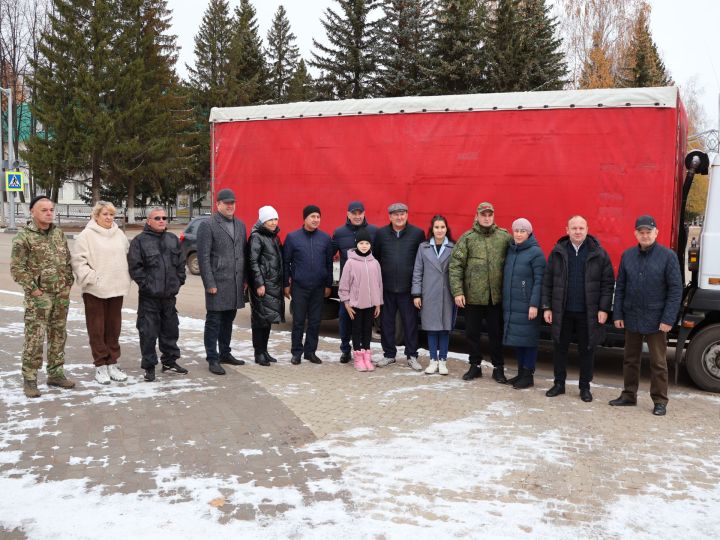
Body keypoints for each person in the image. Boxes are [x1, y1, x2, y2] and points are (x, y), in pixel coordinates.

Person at [609, 215, 682, 416]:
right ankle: (628, 395)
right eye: (641, 232)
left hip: (657, 320)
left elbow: (675, 290)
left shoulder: (668, 256)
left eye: (648, 232)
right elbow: (621, 286)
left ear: (656, 233)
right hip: (632, 316)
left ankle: (660, 401)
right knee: (630, 359)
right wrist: (618, 314)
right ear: (635, 234)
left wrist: (668, 319)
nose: (645, 235)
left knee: (658, 363)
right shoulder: (628, 255)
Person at [541, 215, 614, 402]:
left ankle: (585, 387)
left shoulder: (598, 253)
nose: (578, 231)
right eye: (574, 228)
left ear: (587, 229)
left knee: (587, 350)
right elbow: (547, 282)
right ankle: (559, 384)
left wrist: (604, 309)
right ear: (567, 230)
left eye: (581, 228)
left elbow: (607, 284)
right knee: (559, 348)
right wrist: (547, 307)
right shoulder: (558, 252)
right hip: (562, 310)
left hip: (588, 312)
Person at [11, 195, 76, 398]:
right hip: (39, 297)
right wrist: (34, 289)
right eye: (44, 210)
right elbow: (17, 268)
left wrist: (68, 283)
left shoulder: (58, 234)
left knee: (58, 335)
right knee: (35, 338)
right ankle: (30, 378)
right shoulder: (24, 237)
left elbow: (66, 260)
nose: (49, 213)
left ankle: (55, 373)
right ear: (33, 212)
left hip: (60, 294)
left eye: (51, 209)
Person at [449, 202, 512, 382]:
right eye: (483, 215)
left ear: (493, 217)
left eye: (489, 215)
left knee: (496, 334)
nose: (486, 218)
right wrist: (458, 292)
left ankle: (498, 368)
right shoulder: (467, 238)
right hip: (473, 297)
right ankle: (475, 365)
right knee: (472, 333)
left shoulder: (503, 237)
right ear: (476, 216)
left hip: (496, 297)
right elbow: (455, 266)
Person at [71, 201, 132, 385]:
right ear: (96, 216)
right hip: (95, 290)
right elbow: (78, 261)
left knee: (114, 328)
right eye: (105, 214)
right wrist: (92, 277)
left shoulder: (119, 234)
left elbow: (127, 255)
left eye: (111, 215)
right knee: (97, 329)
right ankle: (100, 365)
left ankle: (112, 362)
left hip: (116, 288)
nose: (108, 218)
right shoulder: (86, 236)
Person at [127, 207, 188, 382]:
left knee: (170, 330)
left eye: (164, 218)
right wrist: (147, 286)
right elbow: (135, 268)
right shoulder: (139, 241)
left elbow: (180, 264)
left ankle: (169, 362)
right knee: (148, 333)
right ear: (149, 221)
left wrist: (178, 282)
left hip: (169, 297)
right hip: (149, 298)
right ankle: (149, 367)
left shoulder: (172, 239)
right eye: (157, 218)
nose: (162, 220)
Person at [197, 188, 248, 375]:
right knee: (214, 322)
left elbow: (243, 253)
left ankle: (225, 353)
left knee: (228, 321)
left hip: (234, 284)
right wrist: (209, 283)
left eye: (232, 202)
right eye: (226, 203)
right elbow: (203, 258)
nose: (230, 206)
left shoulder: (241, 225)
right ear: (217, 204)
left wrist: (245, 279)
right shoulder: (208, 225)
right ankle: (212, 358)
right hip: (217, 284)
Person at [373, 202, 426, 370]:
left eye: (402, 214)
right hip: (387, 288)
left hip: (408, 289)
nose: (399, 217)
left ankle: (411, 356)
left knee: (410, 323)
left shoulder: (417, 234)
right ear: (390, 217)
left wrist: (418, 288)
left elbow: (421, 261)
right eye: (395, 214)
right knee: (386, 323)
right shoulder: (381, 234)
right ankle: (389, 355)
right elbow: (376, 258)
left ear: (407, 215)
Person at [283, 205, 333, 365]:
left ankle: (310, 352)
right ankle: (296, 352)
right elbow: (286, 263)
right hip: (299, 287)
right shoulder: (293, 237)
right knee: (298, 321)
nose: (316, 220)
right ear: (304, 218)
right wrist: (286, 283)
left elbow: (329, 263)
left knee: (315, 321)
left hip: (318, 287)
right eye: (312, 216)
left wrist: (328, 284)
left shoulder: (325, 238)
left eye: (318, 217)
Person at [502, 218, 546, 389]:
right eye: (516, 231)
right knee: (518, 340)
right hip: (514, 305)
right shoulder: (513, 250)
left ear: (529, 233)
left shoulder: (536, 253)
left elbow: (539, 280)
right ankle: (521, 373)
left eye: (523, 231)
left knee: (528, 340)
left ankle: (528, 374)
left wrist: (534, 304)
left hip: (528, 306)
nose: (519, 234)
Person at [332, 201, 378, 363]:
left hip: (366, 288)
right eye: (354, 213)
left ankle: (364, 351)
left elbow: (377, 256)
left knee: (365, 323)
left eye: (360, 213)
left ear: (364, 214)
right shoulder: (339, 233)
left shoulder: (373, 231)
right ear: (348, 214)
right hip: (348, 287)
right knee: (345, 318)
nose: (357, 216)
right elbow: (329, 255)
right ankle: (346, 350)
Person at [412, 215, 456, 376]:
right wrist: (416, 294)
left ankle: (443, 361)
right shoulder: (423, 247)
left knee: (445, 329)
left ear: (446, 229)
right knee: (431, 329)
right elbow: (417, 271)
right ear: (432, 229)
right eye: (436, 227)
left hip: (447, 294)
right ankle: (433, 360)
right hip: (428, 293)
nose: (439, 230)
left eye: (442, 227)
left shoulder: (453, 247)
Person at [338, 229, 383, 372]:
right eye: (361, 243)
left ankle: (366, 357)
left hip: (370, 304)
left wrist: (378, 303)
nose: (364, 246)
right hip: (356, 304)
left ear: (370, 245)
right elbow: (344, 284)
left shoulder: (374, 262)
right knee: (356, 330)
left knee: (367, 331)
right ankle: (358, 357)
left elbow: (378, 284)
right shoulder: (350, 263)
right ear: (357, 244)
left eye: (367, 243)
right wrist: (346, 303)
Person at [248, 205, 285, 366]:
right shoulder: (256, 237)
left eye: (275, 219)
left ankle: (265, 351)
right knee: (259, 320)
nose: (273, 222)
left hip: (273, 284)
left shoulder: (274, 237)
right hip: (262, 286)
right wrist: (259, 283)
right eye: (270, 219)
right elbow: (252, 261)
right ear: (263, 221)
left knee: (267, 320)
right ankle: (258, 353)